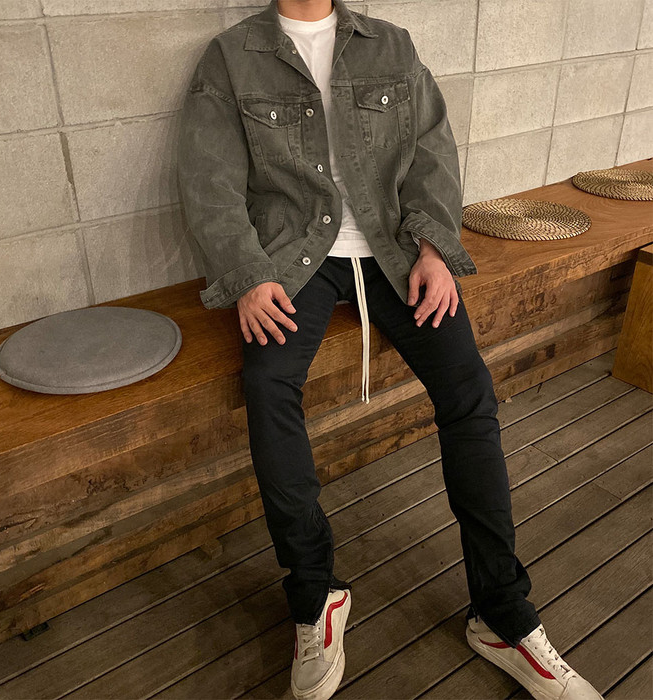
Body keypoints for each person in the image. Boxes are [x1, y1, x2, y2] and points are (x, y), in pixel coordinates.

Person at [177, 1, 604, 699]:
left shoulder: (391, 46)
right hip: (292, 260)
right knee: (267, 385)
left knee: (468, 390)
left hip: (396, 252)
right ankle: (315, 595)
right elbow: (208, 180)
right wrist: (247, 274)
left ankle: (502, 613)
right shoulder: (231, 56)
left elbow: (433, 152)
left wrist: (434, 247)